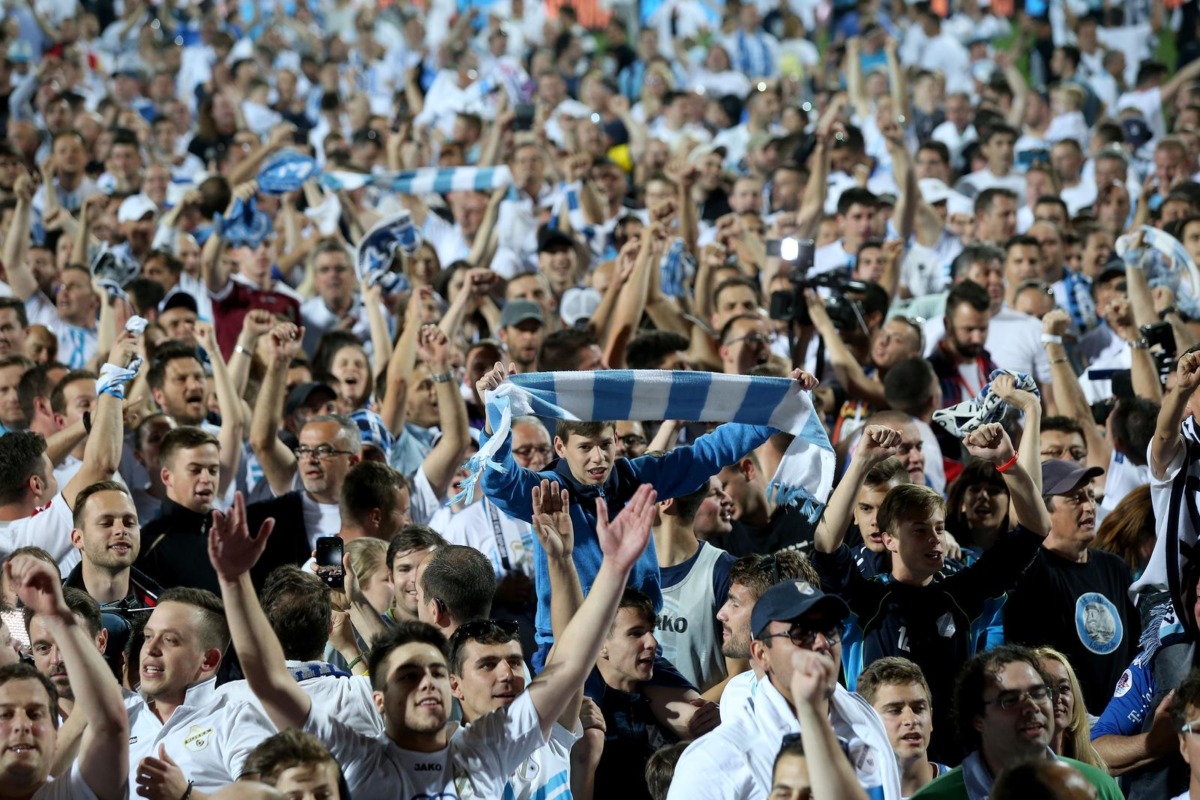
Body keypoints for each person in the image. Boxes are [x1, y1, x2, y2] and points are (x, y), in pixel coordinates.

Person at [211, 484, 662, 798]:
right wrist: (233, 581)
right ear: (378, 700)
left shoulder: (487, 749)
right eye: (409, 675)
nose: (427, 682)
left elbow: (570, 663)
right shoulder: (358, 757)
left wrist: (614, 570)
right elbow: (269, 681)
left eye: (435, 671)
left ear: (452, 686)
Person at [475, 360, 818, 667]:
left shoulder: (636, 477)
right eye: (585, 448)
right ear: (561, 447)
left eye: (605, 445)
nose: (598, 458)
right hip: (571, 650)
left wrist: (775, 409)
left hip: (639, 642)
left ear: (616, 439)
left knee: (699, 711)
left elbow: (709, 453)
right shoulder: (549, 493)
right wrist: (495, 422)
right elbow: (499, 482)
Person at [666, 578, 901, 800]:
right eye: (801, 633)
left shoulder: (865, 716)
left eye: (829, 629)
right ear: (761, 654)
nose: (822, 643)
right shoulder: (715, 761)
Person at [1005, 459, 1141, 715]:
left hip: (1120, 719)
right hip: (1056, 718)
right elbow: (1022, 505)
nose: (1089, 506)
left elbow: (1137, 649)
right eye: (1076, 499)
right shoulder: (1031, 570)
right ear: (1043, 511)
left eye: (1091, 496)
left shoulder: (1114, 567)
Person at [912, 645, 1122, 799]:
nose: (1032, 706)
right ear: (977, 720)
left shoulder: (1097, 786)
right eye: (1010, 700)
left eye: (1039, 693)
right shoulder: (934, 798)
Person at [0, 554, 130, 800]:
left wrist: (57, 612)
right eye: (5, 714)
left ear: (55, 736)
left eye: (36, 714)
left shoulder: (66, 792)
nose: (21, 725)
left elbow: (111, 720)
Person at [62, 480, 160, 674]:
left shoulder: (163, 609)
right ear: (78, 538)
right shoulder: (46, 609)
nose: (121, 530)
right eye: (106, 523)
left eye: (129, 523)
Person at [857, 657, 950, 797]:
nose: (911, 720)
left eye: (919, 709)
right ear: (866, 722)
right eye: (895, 710)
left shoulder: (968, 789)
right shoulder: (847, 794)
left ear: (931, 718)